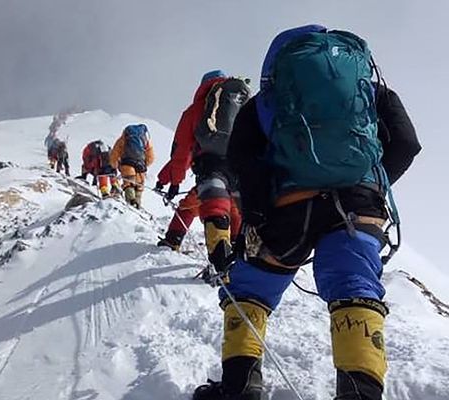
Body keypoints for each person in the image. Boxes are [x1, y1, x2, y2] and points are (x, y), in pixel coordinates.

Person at [193, 25, 421, 400]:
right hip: (360, 206)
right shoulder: (370, 91)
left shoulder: (271, 98)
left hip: (288, 209)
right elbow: (407, 144)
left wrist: (258, 214)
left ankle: (240, 386)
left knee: (251, 289)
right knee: (354, 287)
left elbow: (241, 157)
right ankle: (360, 392)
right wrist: (370, 187)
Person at [156, 70, 250, 269]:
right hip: (241, 167)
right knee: (236, 208)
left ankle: (181, 242)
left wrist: (172, 182)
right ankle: (238, 256)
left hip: (211, 166)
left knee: (194, 206)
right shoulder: (242, 105)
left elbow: (181, 153)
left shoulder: (196, 109)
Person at [156, 161, 241, 251]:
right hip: (236, 187)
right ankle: (237, 248)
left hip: (210, 183)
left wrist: (163, 180)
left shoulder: (207, 147)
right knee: (236, 214)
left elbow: (181, 159)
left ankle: (173, 239)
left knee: (187, 208)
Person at [109, 124, 154, 208]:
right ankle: (137, 204)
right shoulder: (146, 141)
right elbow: (151, 157)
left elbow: (114, 154)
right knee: (139, 187)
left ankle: (131, 202)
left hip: (127, 164)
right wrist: (144, 164)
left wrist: (114, 166)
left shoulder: (122, 139)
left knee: (128, 184)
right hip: (140, 167)